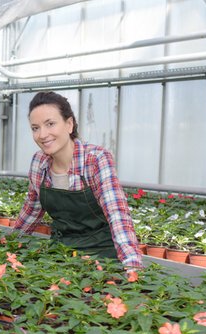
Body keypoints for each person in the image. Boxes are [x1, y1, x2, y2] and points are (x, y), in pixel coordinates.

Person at [12, 91, 143, 270]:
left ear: (69, 124)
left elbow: (117, 214)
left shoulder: (95, 159)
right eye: (35, 128)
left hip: (102, 257)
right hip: (60, 254)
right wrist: (8, 245)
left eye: (50, 124)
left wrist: (132, 266)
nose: (42, 134)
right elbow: (31, 211)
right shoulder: (39, 162)